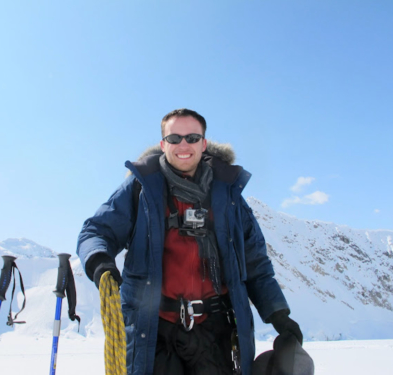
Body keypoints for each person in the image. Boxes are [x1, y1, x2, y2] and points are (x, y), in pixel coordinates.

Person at [77, 108, 303, 375]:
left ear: (204, 143)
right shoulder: (141, 189)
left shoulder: (228, 195)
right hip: (154, 333)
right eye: (174, 138)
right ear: (163, 145)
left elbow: (255, 264)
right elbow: (96, 231)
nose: (183, 145)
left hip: (216, 334)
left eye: (192, 137)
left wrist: (279, 315)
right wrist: (100, 262)